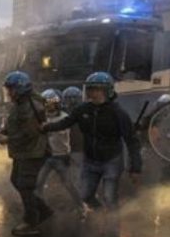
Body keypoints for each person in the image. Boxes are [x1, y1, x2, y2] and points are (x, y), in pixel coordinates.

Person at [42, 72, 142, 213]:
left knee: (109, 197)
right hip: (90, 160)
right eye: (90, 89)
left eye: (97, 89)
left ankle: (112, 233)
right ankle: (102, 216)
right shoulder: (82, 110)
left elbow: (132, 142)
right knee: (85, 196)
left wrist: (135, 168)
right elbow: (66, 122)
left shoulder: (118, 113)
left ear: (108, 91)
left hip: (112, 161)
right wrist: (47, 127)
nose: (92, 93)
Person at [0, 71, 52, 237]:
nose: (8, 93)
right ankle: (44, 210)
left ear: (20, 89)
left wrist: (8, 139)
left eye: (11, 89)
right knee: (16, 180)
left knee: (26, 185)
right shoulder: (20, 104)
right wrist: (2, 132)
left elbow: (30, 133)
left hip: (33, 152)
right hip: (22, 152)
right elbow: (13, 125)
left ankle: (31, 222)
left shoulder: (32, 106)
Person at [34, 89, 83, 211]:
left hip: (61, 156)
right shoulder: (41, 119)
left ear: (58, 103)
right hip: (47, 157)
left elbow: (73, 137)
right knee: (38, 184)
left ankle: (82, 206)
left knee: (69, 184)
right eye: (47, 103)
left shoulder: (65, 118)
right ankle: (41, 208)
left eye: (52, 102)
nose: (50, 106)